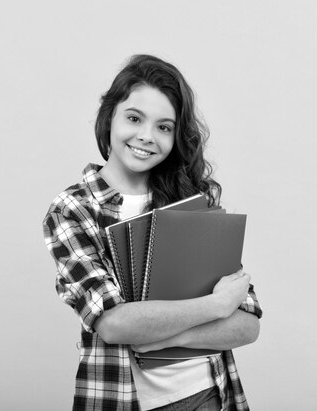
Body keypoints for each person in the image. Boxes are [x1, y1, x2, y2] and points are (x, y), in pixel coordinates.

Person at [43, 54, 263, 411]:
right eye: (134, 118)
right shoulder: (74, 208)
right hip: (124, 400)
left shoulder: (193, 199)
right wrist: (215, 306)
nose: (146, 136)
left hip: (209, 395)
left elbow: (247, 324)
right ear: (109, 117)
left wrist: (163, 336)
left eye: (164, 127)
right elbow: (113, 324)